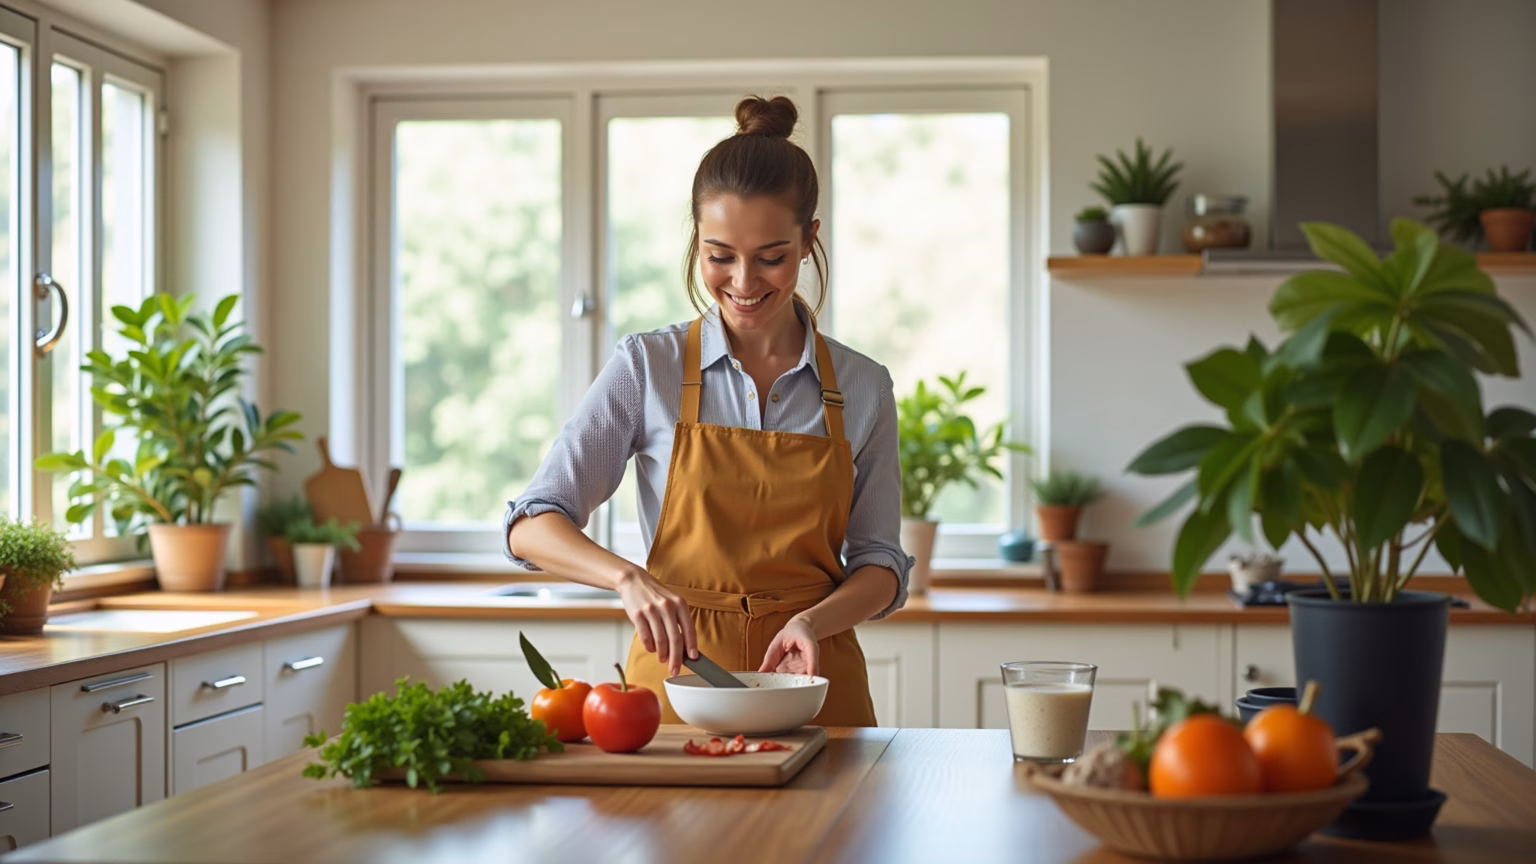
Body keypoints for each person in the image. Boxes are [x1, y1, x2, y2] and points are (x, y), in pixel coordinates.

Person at [504, 94, 909, 726]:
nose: (743, 283)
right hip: (675, 692)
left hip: (813, 685)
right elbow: (531, 524)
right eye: (720, 255)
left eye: (771, 257)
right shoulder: (647, 367)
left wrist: (813, 619)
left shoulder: (864, 386)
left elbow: (881, 564)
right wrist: (627, 579)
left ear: (809, 241)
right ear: (698, 241)